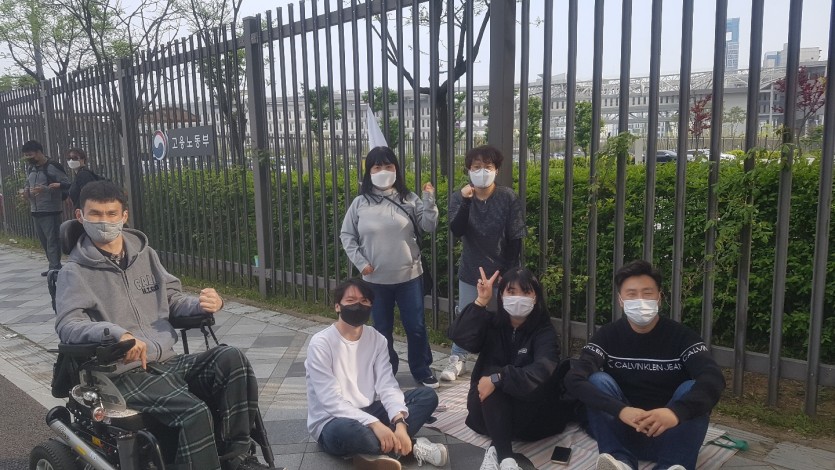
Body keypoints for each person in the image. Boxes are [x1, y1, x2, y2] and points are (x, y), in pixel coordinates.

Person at [54, 181, 276, 470]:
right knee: (194, 411)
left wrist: (202, 304)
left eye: (111, 214)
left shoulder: (146, 255)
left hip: (167, 361)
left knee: (232, 360)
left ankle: (237, 457)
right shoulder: (74, 272)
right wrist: (117, 334)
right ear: (80, 216)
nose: (104, 221)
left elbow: (171, 299)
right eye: (95, 214)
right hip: (121, 372)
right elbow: (69, 325)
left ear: (124, 216)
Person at [564, 260, 725, 470]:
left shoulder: (682, 336)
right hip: (622, 432)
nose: (639, 300)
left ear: (659, 297)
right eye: (631, 294)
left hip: (669, 432)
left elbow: (713, 377)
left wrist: (676, 413)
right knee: (597, 380)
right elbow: (574, 378)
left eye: (647, 293)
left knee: (692, 387)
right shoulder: (607, 335)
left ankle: (672, 465)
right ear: (621, 300)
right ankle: (620, 462)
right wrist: (621, 410)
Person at [305, 278, 448, 470]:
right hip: (332, 420)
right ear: (337, 306)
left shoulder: (377, 339)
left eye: (364, 301)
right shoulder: (321, 344)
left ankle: (375, 451)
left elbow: (387, 385)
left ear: (371, 306)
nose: (358, 306)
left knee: (427, 396)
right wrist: (375, 424)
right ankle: (410, 447)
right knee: (352, 432)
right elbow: (330, 400)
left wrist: (400, 423)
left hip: (369, 408)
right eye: (351, 300)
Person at [449, 267, 569, 470]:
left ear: (536, 298)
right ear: (501, 296)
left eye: (526, 292)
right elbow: (460, 337)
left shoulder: (544, 331)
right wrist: (480, 302)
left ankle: (500, 454)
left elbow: (542, 370)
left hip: (531, 414)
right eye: (511, 292)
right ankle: (507, 460)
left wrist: (499, 377)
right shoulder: (492, 324)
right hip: (485, 409)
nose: (518, 298)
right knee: (491, 383)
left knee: (494, 380)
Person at [340, 146, 440, 388]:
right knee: (382, 329)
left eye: (388, 166)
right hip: (375, 281)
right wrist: (361, 262)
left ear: (396, 169)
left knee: (415, 326)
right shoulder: (360, 202)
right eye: (377, 167)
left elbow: (429, 226)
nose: (383, 171)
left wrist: (429, 200)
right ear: (369, 171)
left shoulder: (409, 198)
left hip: (409, 276)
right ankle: (386, 370)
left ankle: (421, 369)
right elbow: (347, 235)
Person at [441, 145, 525, 382]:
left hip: (502, 269)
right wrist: (466, 202)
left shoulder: (507, 197)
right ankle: (458, 358)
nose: (482, 171)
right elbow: (457, 230)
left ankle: (505, 358)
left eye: (488, 166)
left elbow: (516, 236)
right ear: (469, 170)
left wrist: (508, 272)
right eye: (476, 167)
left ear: (496, 170)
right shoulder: (459, 197)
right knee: (468, 314)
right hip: (472, 268)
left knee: (507, 316)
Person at [20, 140, 70, 275]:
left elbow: (66, 184)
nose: (28, 158)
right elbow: (27, 183)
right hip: (35, 209)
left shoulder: (52, 166)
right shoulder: (31, 168)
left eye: (30, 155)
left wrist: (45, 189)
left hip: (51, 209)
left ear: (39, 152)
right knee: (44, 241)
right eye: (26, 155)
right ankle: (53, 265)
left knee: (52, 239)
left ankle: (54, 267)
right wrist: (26, 192)